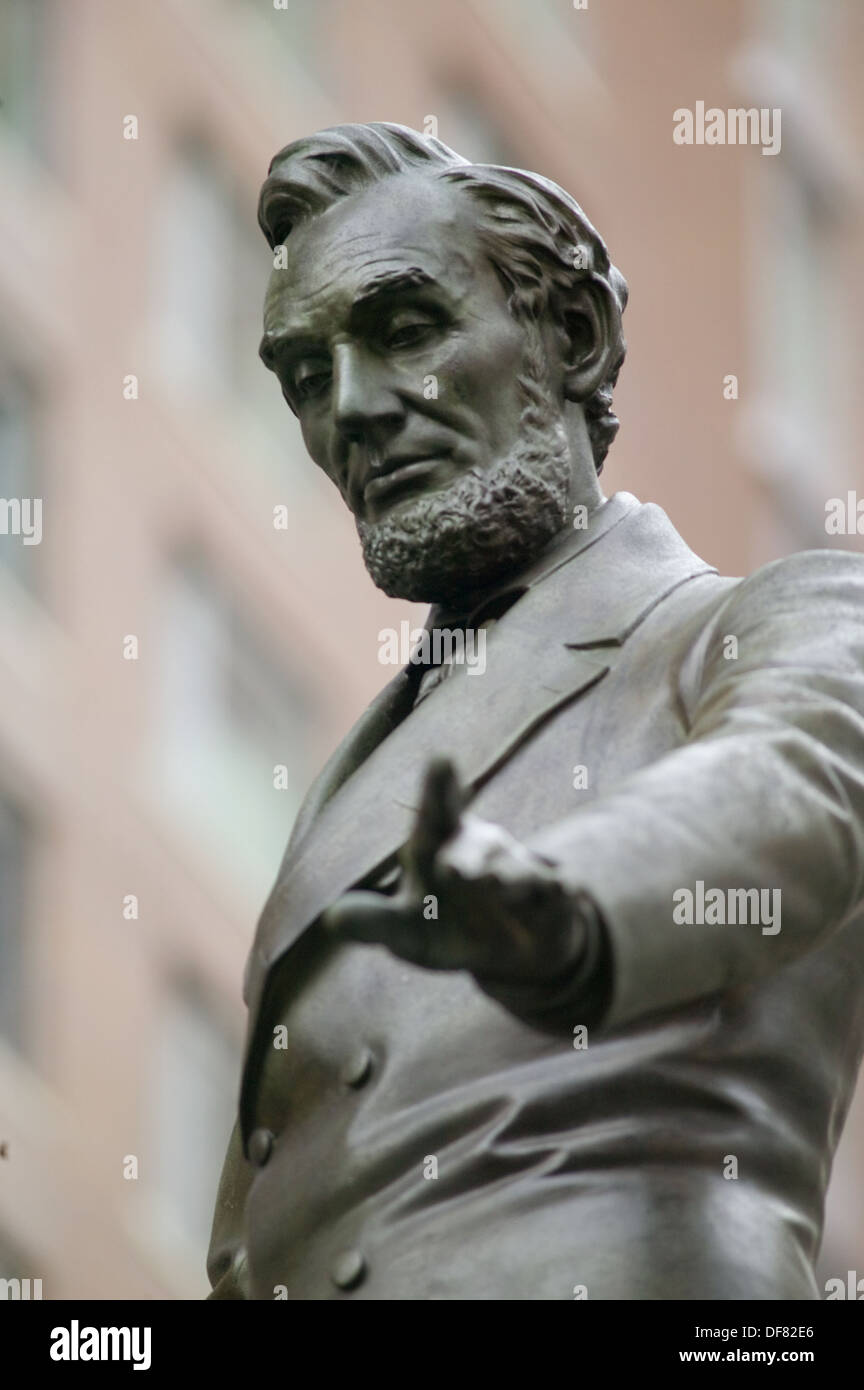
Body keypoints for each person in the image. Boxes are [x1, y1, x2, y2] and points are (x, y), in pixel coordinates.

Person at [206, 123, 864, 1300]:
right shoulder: (355, 776)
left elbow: (793, 787)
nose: (351, 408)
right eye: (307, 378)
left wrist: (564, 906)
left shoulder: (762, 623)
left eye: (403, 331)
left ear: (571, 336)